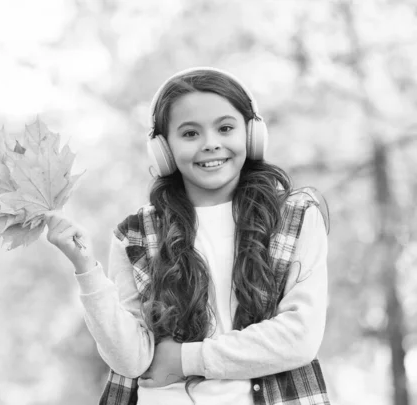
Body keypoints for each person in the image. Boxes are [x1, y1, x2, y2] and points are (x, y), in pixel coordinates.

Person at [45, 67, 330, 405]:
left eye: (225, 128)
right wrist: (86, 269)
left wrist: (184, 359)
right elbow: (131, 360)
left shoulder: (294, 219)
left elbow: (300, 337)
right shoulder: (135, 234)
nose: (211, 144)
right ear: (163, 149)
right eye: (190, 134)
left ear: (252, 134)